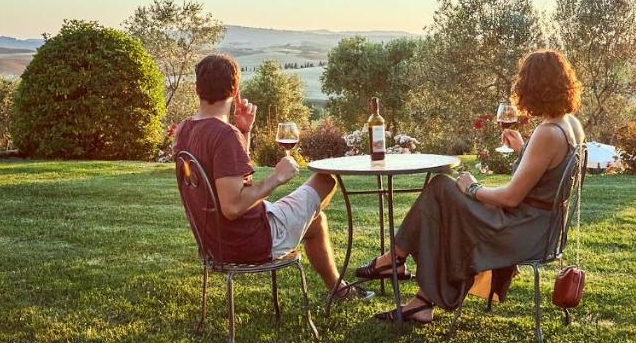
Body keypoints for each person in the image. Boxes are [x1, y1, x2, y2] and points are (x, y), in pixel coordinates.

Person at [356, 49, 585, 324]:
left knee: (441, 188)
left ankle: (395, 260)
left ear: (533, 87)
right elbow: (546, 176)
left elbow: (512, 197)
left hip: (522, 231)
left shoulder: (547, 132)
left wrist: (473, 189)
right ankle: (418, 297)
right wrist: (523, 150)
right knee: (443, 201)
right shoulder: (570, 124)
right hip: (541, 226)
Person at [174, 54, 371, 301]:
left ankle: (340, 289)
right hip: (251, 241)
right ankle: (329, 277)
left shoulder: (185, 129)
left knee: (316, 220)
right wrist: (276, 178)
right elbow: (233, 206)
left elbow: (232, 180)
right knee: (325, 179)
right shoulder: (223, 135)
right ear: (235, 90)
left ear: (196, 89)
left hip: (215, 244)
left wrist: (244, 130)